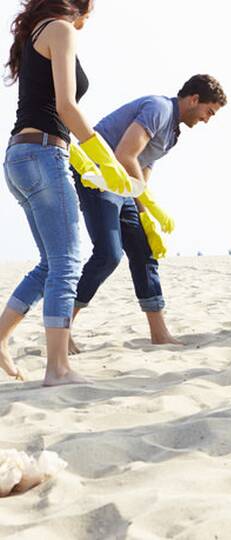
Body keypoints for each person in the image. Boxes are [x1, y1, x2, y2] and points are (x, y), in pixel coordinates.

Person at [1, 0, 134, 385]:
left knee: (50, 263)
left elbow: (48, 110)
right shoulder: (61, 29)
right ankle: (57, 369)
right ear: (80, 8)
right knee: (67, 263)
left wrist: (85, 160)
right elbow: (66, 106)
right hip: (42, 154)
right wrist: (104, 157)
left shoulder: (36, 34)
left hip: (22, 156)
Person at [68, 75, 227, 353]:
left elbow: (142, 173)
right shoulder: (159, 108)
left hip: (122, 185)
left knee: (144, 253)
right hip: (97, 174)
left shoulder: (173, 134)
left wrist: (146, 217)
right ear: (194, 99)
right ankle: (61, 327)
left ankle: (159, 333)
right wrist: (152, 206)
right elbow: (124, 156)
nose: (207, 119)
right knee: (108, 255)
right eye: (209, 112)